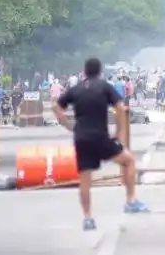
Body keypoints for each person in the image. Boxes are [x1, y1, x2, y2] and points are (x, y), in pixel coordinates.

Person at [55, 57, 148, 231]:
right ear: (100, 71)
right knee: (128, 160)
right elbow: (121, 108)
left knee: (85, 179)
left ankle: (88, 218)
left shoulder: (75, 89)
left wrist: (69, 126)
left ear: (84, 70)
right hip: (100, 137)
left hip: (81, 138)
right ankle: (130, 200)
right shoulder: (105, 87)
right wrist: (119, 132)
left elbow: (57, 108)